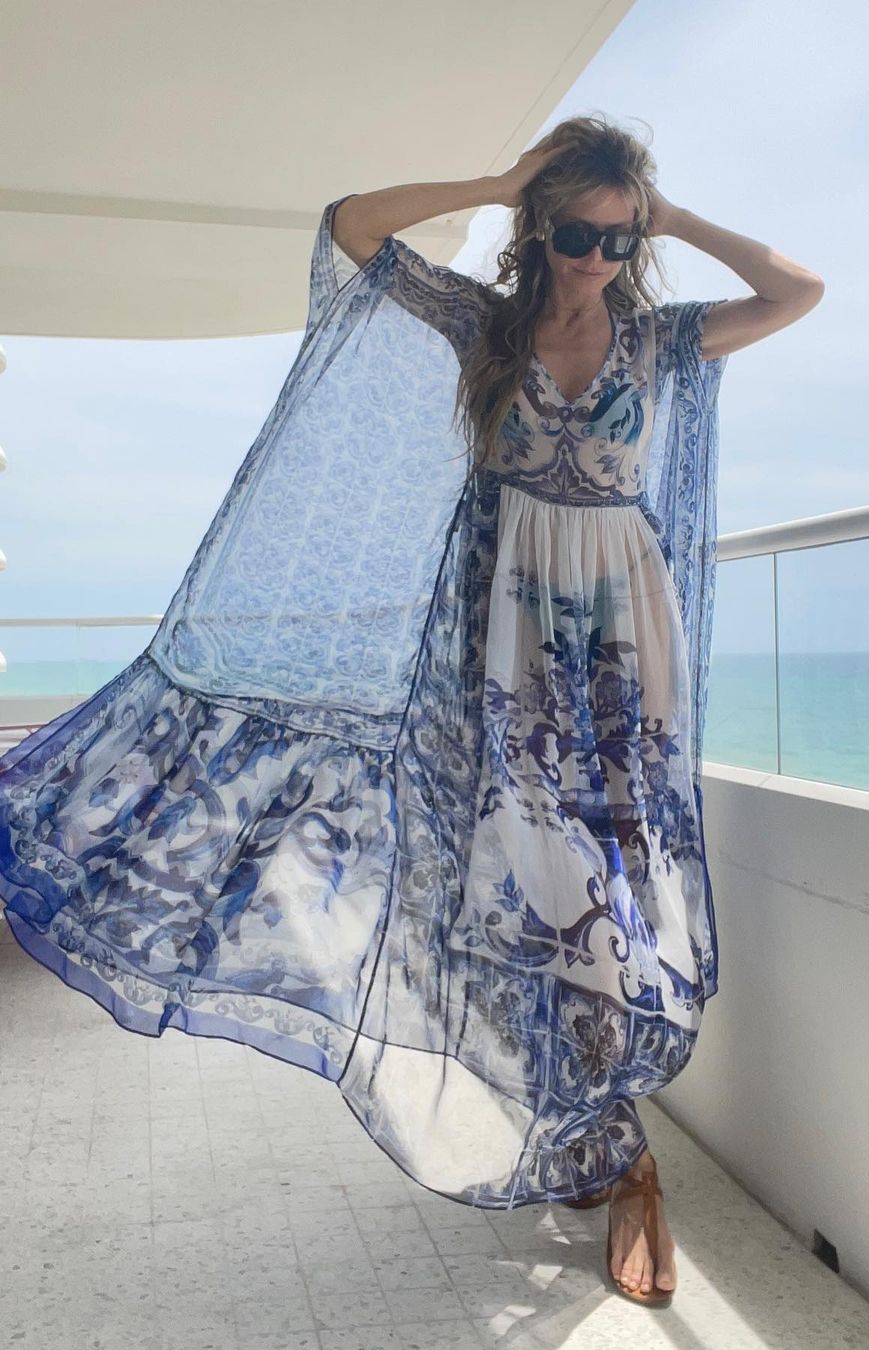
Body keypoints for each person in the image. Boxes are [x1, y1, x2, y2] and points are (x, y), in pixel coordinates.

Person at [0, 114, 823, 1308]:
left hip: (618, 646)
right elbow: (353, 228)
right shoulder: (486, 325)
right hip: (493, 639)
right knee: (507, 885)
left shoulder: (659, 337)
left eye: (618, 238)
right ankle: (594, 1136)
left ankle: (620, 1152)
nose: (598, 257)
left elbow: (798, 292)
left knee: (613, 883)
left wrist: (674, 214)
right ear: (541, 227)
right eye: (578, 232)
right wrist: (497, 180)